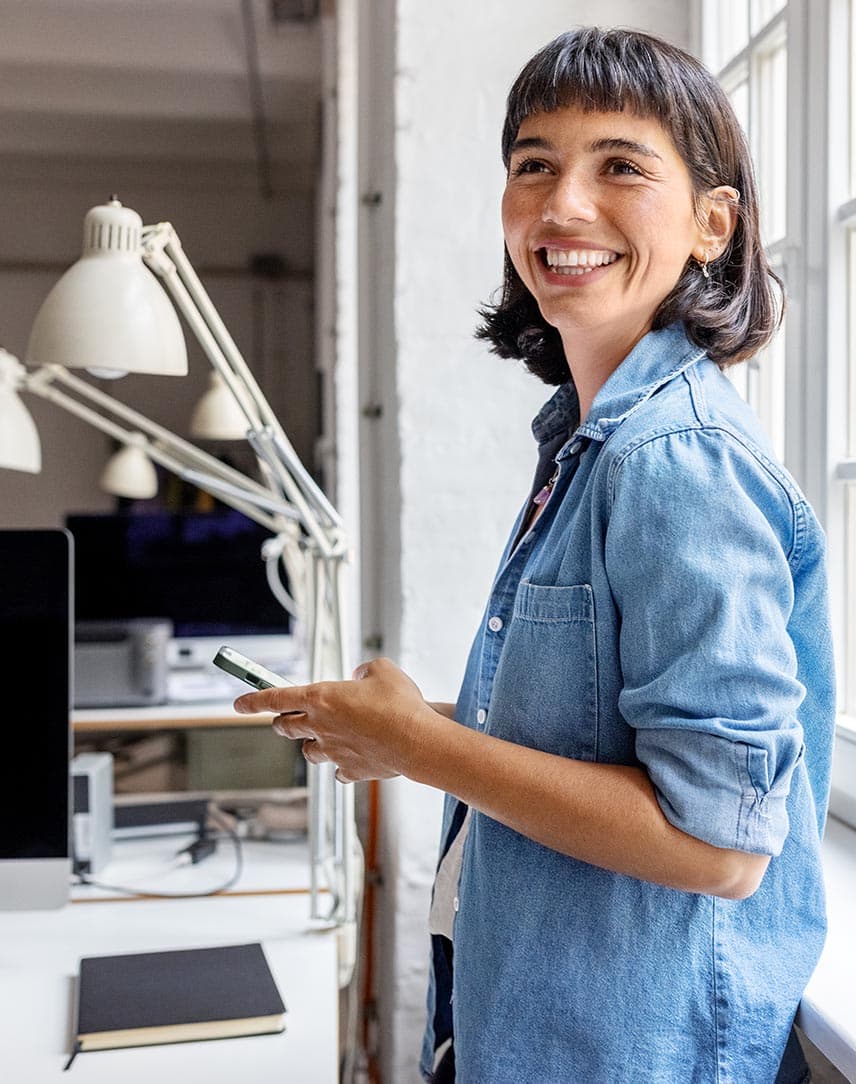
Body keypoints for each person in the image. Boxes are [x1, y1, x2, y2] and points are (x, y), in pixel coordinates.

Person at [234, 26, 835, 1084]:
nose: (561, 206)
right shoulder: (589, 441)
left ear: (711, 221)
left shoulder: (675, 461)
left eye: (619, 166)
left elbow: (721, 847)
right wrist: (406, 732)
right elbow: (602, 753)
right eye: (533, 165)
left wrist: (422, 746)